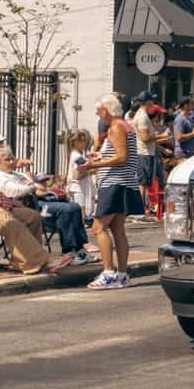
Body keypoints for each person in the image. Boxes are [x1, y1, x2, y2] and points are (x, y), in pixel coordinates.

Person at [77, 93, 145, 290]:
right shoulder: (126, 126)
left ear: (106, 111)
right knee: (118, 229)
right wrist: (100, 157)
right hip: (125, 183)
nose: (100, 117)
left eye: (99, 113)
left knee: (98, 227)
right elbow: (120, 155)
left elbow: (121, 157)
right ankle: (122, 274)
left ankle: (108, 272)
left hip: (114, 184)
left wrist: (92, 165)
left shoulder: (115, 127)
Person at [0, 146, 91, 266]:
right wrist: (33, 186)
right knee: (65, 209)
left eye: (12, 159)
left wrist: (34, 186)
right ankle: (69, 251)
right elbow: (13, 191)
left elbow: (38, 186)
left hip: (39, 200)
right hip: (25, 205)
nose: (11, 162)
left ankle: (80, 249)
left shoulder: (18, 174)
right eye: (7, 160)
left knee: (74, 206)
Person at [0, 155, 70, 274]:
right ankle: (40, 260)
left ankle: (21, 262)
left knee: (32, 216)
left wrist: (8, 201)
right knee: (11, 223)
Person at [131, 92, 164, 214]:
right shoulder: (143, 117)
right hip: (144, 152)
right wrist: (160, 136)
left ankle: (143, 208)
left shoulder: (142, 115)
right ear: (147, 102)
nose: (153, 103)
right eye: (152, 101)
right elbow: (145, 138)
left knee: (144, 182)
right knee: (143, 182)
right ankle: (141, 209)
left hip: (145, 152)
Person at [64, 129, 95, 221]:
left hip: (74, 187)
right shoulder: (78, 157)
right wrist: (92, 171)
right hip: (79, 188)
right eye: (83, 141)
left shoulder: (73, 155)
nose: (85, 144)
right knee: (81, 213)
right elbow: (77, 175)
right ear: (76, 142)